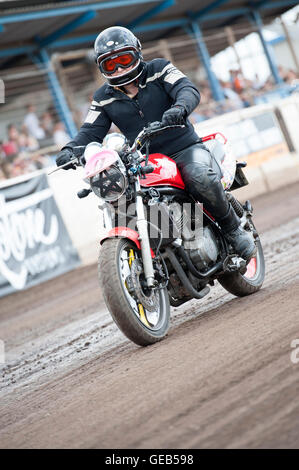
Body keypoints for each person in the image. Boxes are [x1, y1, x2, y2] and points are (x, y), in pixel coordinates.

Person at [56, 26, 255, 260]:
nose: (119, 68)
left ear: (137, 53)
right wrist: (70, 149)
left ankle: (232, 229)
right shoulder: (103, 96)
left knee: (199, 177)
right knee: (123, 199)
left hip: (184, 148)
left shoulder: (159, 69)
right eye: (111, 64)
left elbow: (186, 88)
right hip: (144, 160)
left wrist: (179, 108)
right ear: (102, 68)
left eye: (124, 59)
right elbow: (90, 130)